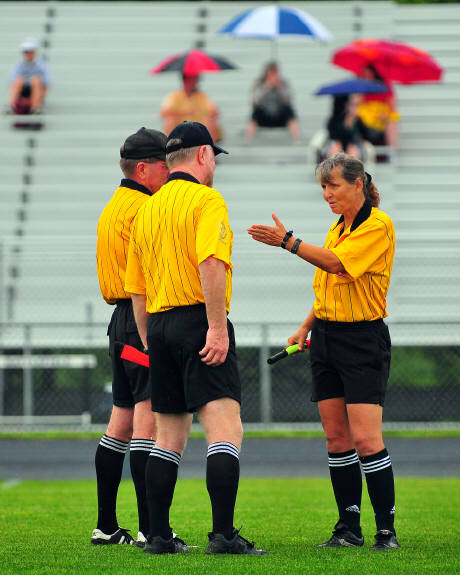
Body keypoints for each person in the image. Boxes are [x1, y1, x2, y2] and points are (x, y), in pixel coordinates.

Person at [124, 121, 267, 556]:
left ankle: (159, 537)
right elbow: (210, 263)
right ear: (203, 154)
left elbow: (137, 288)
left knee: (167, 438)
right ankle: (223, 535)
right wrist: (217, 328)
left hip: (159, 325)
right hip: (198, 320)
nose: (214, 166)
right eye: (214, 158)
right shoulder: (207, 199)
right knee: (225, 428)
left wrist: (148, 339)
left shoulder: (146, 209)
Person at [248, 153, 399, 551]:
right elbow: (329, 288)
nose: (327, 194)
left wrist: (288, 241)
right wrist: (305, 327)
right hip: (327, 338)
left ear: (358, 184)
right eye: (323, 187)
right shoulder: (337, 226)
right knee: (337, 438)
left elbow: (336, 265)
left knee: (366, 439)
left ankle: (386, 531)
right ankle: (348, 529)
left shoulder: (378, 224)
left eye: (333, 185)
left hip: (362, 339)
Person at [93, 128, 169, 546]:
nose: (169, 173)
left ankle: (106, 526)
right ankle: (149, 529)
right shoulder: (145, 208)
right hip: (142, 320)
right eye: (163, 165)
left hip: (119, 322)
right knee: (147, 423)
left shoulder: (113, 206)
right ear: (142, 169)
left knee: (120, 423)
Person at [246, 61, 300, 141]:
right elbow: (256, 101)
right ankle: (248, 140)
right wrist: (266, 87)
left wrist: (279, 88)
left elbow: (288, 100)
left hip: (279, 116)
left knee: (289, 111)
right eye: (271, 73)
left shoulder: (283, 83)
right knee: (255, 113)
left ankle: (297, 139)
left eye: (275, 72)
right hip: (264, 116)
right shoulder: (259, 83)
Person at [160, 73, 222, 142]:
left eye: (195, 80)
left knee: (209, 122)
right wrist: (186, 112)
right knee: (170, 121)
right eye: (191, 80)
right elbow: (164, 113)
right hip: (180, 130)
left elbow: (214, 111)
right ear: (185, 81)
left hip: (199, 130)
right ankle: (171, 144)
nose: (193, 83)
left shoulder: (202, 96)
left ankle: (208, 145)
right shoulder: (175, 96)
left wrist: (208, 114)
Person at [357, 65, 400, 148]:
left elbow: (392, 104)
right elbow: (358, 103)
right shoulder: (361, 84)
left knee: (392, 123)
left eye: (368, 73)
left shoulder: (385, 83)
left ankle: (391, 150)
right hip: (366, 113)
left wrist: (385, 114)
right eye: (364, 74)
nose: (366, 76)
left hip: (382, 113)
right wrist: (362, 88)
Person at [7, 38, 50, 114]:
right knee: (18, 80)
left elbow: (46, 85)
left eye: (30, 51)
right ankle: (11, 107)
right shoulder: (19, 64)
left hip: (37, 90)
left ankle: (35, 108)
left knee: (36, 80)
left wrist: (39, 98)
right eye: (26, 51)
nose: (28, 54)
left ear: (35, 52)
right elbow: (12, 82)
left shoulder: (41, 65)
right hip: (23, 92)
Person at [326, 94, 370, 161]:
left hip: (354, 145)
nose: (354, 108)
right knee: (335, 150)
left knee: (353, 152)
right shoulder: (337, 119)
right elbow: (332, 134)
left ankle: (352, 168)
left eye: (356, 105)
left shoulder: (358, 120)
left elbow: (366, 135)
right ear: (346, 106)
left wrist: (355, 122)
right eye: (352, 105)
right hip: (339, 144)